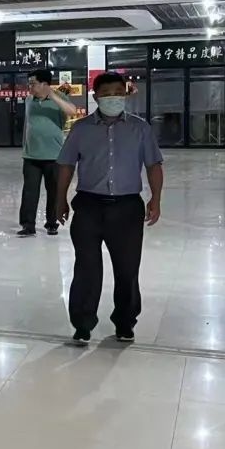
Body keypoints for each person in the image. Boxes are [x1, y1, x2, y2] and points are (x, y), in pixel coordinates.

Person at [57, 72, 164, 345]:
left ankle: (125, 322)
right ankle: (82, 324)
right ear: (96, 97)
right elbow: (66, 165)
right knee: (87, 269)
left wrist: (156, 198)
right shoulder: (81, 129)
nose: (113, 98)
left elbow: (153, 165)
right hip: (88, 207)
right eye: (106, 94)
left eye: (118, 93)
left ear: (125, 95)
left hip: (127, 208)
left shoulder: (140, 128)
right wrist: (60, 199)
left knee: (127, 270)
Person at [19, 68, 77, 236]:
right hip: (31, 155)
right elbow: (28, 124)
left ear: (44, 84)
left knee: (54, 191)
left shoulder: (60, 98)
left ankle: (52, 223)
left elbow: (72, 111)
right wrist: (24, 145)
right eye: (29, 84)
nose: (30, 87)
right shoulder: (29, 100)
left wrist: (52, 95)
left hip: (54, 156)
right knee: (29, 192)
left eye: (33, 83)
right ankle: (28, 225)